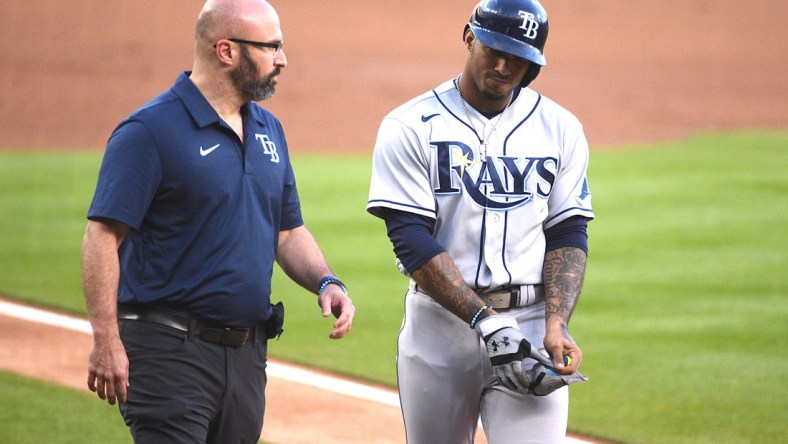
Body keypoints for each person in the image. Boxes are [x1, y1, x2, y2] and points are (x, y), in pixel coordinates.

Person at [80, 0, 355, 442]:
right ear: (226, 51)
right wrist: (105, 339)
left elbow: (287, 231)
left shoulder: (269, 129)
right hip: (169, 351)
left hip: (247, 357)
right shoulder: (150, 132)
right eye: (271, 47)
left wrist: (326, 282)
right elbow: (101, 236)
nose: (282, 59)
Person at [367, 0, 593, 442]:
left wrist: (556, 322)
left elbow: (568, 231)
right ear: (469, 37)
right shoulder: (411, 126)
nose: (505, 66)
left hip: (529, 325)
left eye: (521, 58)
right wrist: (487, 321)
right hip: (440, 329)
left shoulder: (561, 128)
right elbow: (411, 239)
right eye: (495, 49)